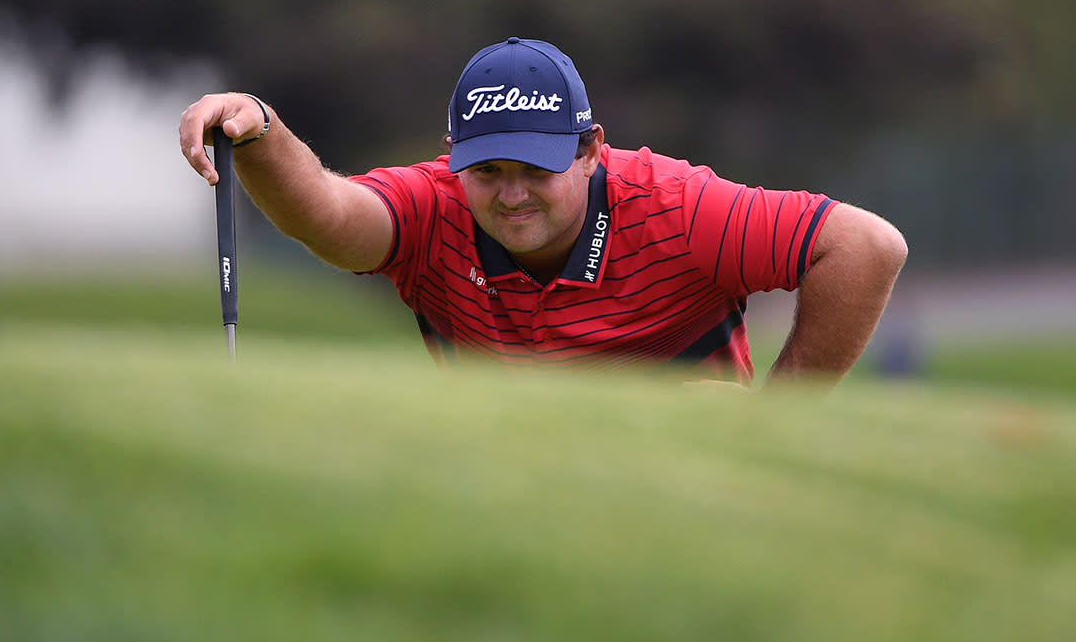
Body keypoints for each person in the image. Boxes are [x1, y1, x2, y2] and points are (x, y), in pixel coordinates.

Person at [179, 37, 907, 387]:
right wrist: (261, 128)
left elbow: (866, 247)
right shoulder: (434, 208)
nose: (512, 193)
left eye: (537, 169)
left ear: (590, 149)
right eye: (487, 170)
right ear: (451, 156)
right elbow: (330, 219)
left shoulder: (677, 208)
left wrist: (775, 435)